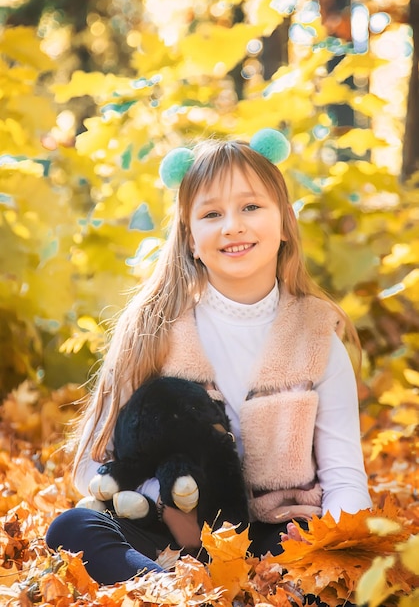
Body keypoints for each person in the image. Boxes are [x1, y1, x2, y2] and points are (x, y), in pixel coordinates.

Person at [46, 129, 372, 588]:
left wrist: (332, 554)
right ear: (191, 238)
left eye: (251, 207)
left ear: (283, 224)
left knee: (354, 571)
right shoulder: (153, 330)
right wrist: (165, 501)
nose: (232, 225)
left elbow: (344, 479)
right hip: (169, 538)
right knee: (72, 530)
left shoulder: (316, 338)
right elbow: (90, 464)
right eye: (212, 214)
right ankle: (177, 592)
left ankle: (248, 593)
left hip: (279, 536)